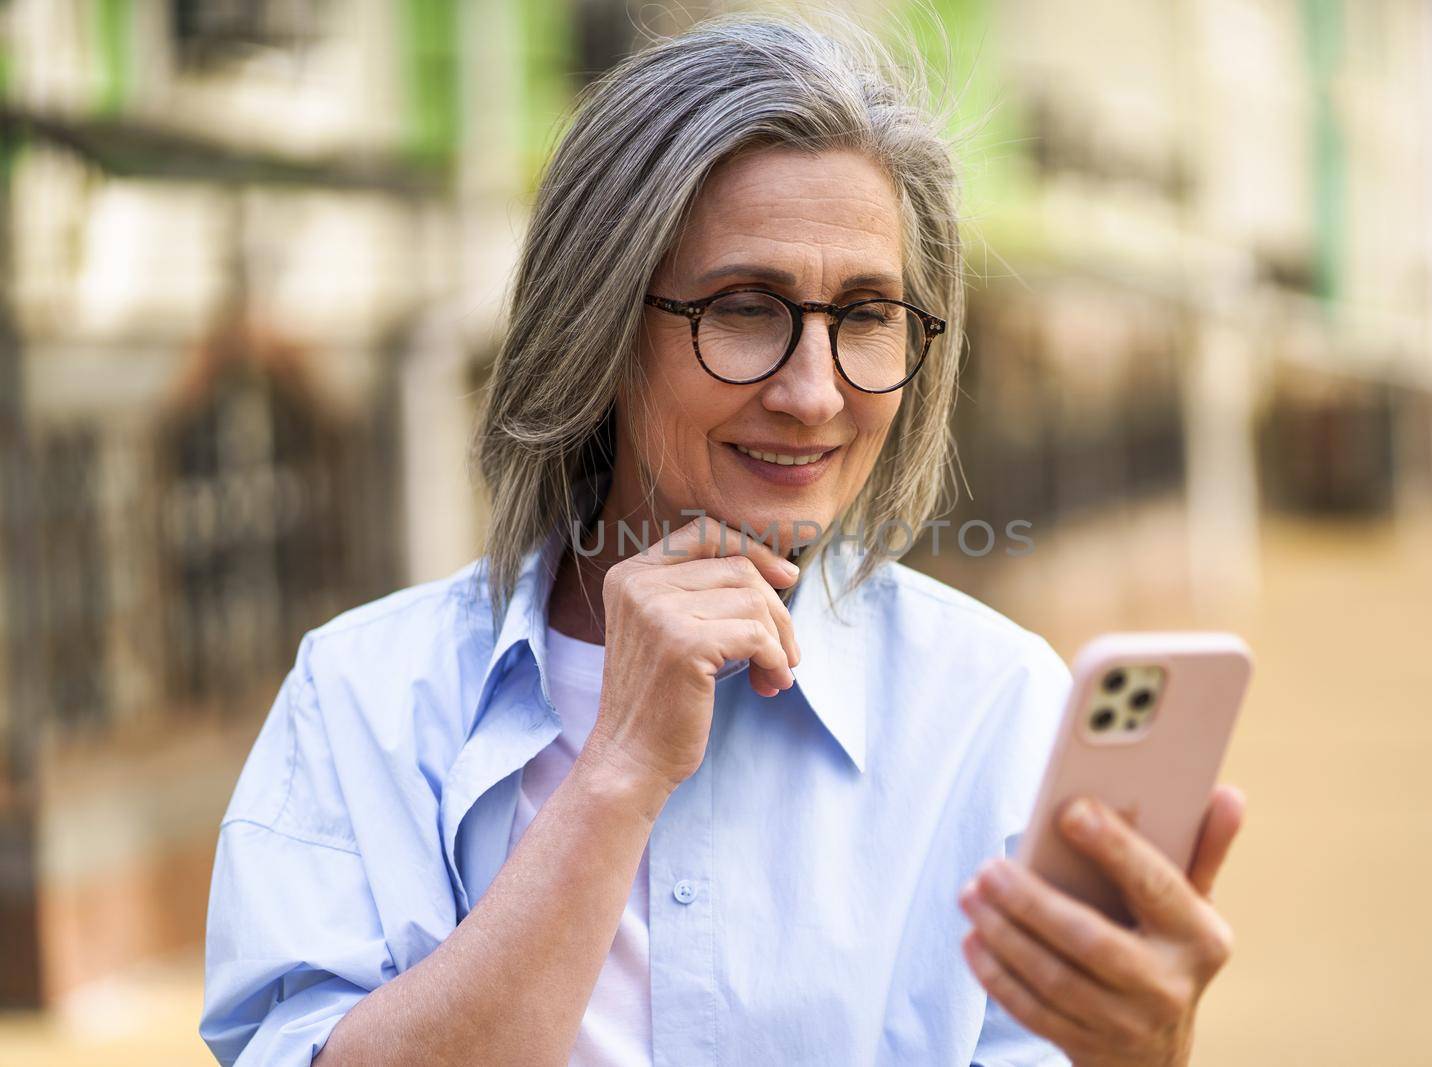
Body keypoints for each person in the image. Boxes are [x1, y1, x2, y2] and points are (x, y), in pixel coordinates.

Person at [200, 13, 1244, 1066]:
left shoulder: (990, 705)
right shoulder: (362, 699)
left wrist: (1137, 1052)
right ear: (597, 326)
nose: (813, 391)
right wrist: (616, 772)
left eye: (868, 313)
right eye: (746, 307)